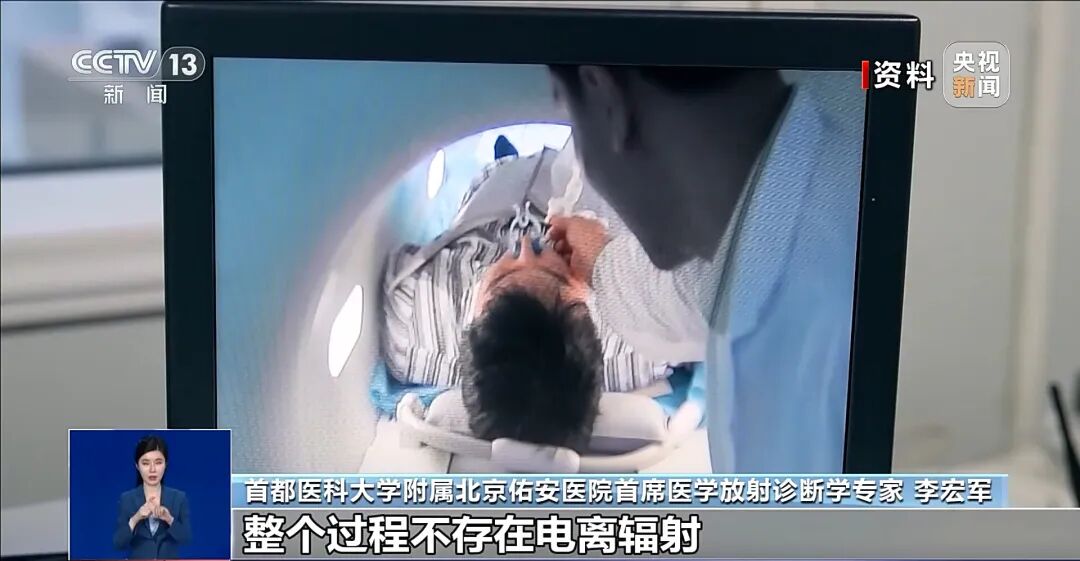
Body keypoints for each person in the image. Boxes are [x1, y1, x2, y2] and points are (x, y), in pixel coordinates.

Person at [545, 65, 865, 472]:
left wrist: (600, 261)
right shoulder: (846, 134)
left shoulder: (816, 353)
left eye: (567, 111)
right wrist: (599, 260)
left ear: (605, 95)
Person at [113, 434, 192, 559]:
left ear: (166, 464)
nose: (152, 469)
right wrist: (136, 518)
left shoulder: (178, 498)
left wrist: (169, 519)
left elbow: (187, 538)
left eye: (158, 462)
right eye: (145, 463)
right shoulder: (127, 499)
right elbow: (118, 543)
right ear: (137, 466)